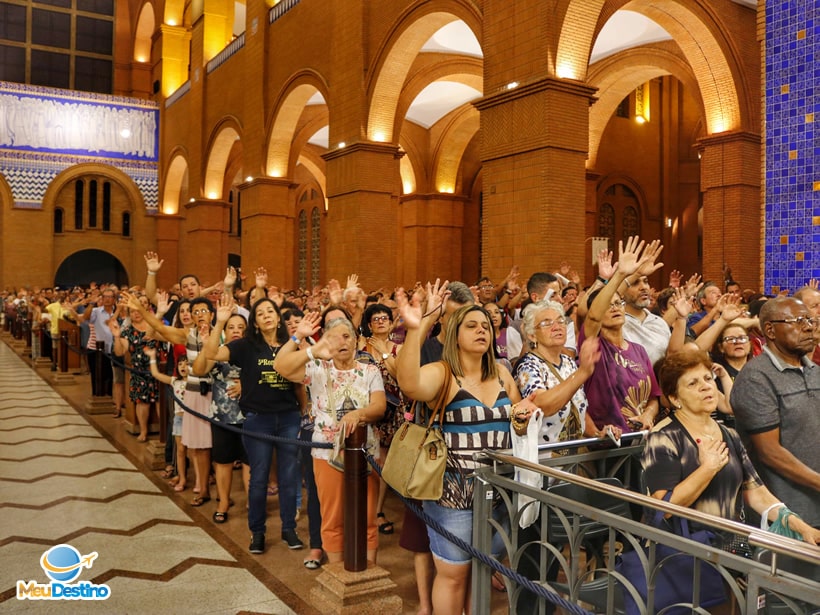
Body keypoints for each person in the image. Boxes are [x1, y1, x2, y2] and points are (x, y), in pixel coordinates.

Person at [395, 293, 539, 615]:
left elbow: (514, 419)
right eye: (471, 325)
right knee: (454, 575)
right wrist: (416, 329)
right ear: (456, 335)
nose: (481, 330)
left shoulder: (502, 373)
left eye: (485, 325)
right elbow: (408, 383)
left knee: (481, 569)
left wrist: (521, 418)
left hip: (498, 493)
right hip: (454, 494)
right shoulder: (443, 373)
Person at [644, 349, 818, 544]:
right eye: (693, 383)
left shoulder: (729, 434)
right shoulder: (662, 437)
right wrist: (708, 468)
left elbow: (757, 494)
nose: (706, 387)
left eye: (708, 379)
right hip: (683, 553)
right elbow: (662, 508)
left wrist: (803, 528)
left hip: (728, 547)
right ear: (675, 398)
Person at [275, 311, 386, 564]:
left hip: (365, 451)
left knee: (368, 514)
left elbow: (378, 407)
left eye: (347, 336)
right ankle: (337, 573)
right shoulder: (316, 369)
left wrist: (358, 414)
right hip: (326, 454)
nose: (342, 342)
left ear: (357, 341)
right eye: (333, 338)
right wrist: (300, 340)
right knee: (333, 515)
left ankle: (369, 571)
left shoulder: (369, 370)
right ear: (325, 343)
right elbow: (280, 366)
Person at [200, 296, 304, 554]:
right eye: (261, 313)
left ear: (278, 317)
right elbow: (212, 353)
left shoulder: (291, 345)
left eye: (271, 311)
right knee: (258, 479)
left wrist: (304, 411)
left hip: (288, 417)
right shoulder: (246, 346)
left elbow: (299, 382)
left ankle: (289, 528)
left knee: (289, 477)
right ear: (255, 323)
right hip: (259, 419)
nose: (267, 315)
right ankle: (257, 532)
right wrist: (220, 322)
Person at [730, 296, 820, 528]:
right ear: (770, 330)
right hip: (787, 513)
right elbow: (769, 452)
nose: (809, 326)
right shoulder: (756, 378)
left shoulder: (815, 372)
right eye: (799, 321)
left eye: (811, 320)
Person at [581, 238, 662, 433]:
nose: (615, 308)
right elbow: (592, 316)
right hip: (605, 443)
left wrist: (648, 415)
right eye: (608, 305)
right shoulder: (594, 342)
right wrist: (622, 275)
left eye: (618, 303)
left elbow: (653, 397)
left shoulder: (639, 351)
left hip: (639, 439)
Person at [195, 313, 249, 524]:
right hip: (222, 416)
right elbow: (199, 369)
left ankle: (251, 503)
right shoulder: (216, 353)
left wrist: (246, 385)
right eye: (231, 327)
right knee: (223, 462)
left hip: (250, 416)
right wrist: (210, 338)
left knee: (250, 461)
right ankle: (223, 503)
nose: (236, 330)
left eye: (240, 327)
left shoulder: (252, 352)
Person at [359, 302, 407, 536]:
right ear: (368, 324)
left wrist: (385, 352)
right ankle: (363, 508)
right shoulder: (361, 347)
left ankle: (377, 511)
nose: (380, 321)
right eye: (375, 319)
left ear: (391, 323)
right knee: (366, 461)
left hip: (392, 412)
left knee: (382, 465)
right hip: (365, 409)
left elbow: (401, 375)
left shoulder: (399, 348)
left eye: (384, 318)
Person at [109, 294, 159, 442]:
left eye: (139, 310)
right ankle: (143, 431)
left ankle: (163, 431)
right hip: (139, 371)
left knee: (159, 400)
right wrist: (117, 336)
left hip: (157, 370)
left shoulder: (154, 326)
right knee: (142, 402)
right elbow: (119, 352)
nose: (136, 314)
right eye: (133, 312)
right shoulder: (128, 331)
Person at [146, 349, 189, 491]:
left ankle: (201, 482)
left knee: (195, 452)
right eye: (180, 364)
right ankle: (182, 478)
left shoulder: (195, 381)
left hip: (193, 420)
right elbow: (156, 374)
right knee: (181, 451)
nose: (183, 366)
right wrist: (152, 358)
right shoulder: (174, 381)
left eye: (186, 363)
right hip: (179, 420)